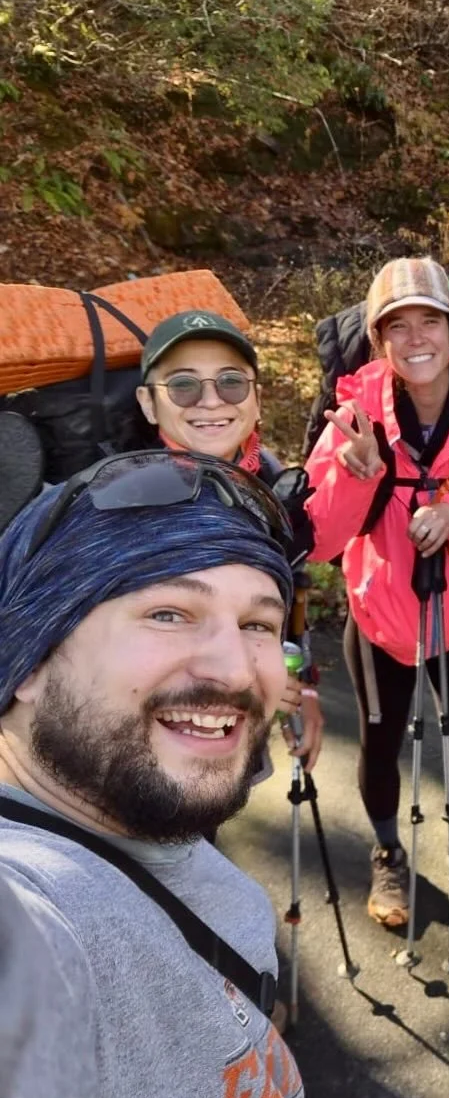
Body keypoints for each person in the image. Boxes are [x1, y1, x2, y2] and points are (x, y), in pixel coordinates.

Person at [0, 451, 334, 1098]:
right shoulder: (40, 907)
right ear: (29, 661)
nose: (232, 669)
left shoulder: (140, 825)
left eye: (257, 623)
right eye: (168, 613)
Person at [304, 257, 449, 927]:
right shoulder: (352, 419)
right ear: (377, 340)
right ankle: (387, 852)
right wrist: (359, 476)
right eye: (395, 326)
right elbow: (317, 540)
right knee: (378, 740)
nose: (414, 339)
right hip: (378, 619)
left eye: (427, 320)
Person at [135, 309, 325, 770]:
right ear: (147, 402)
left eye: (231, 383)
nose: (211, 401)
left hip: (231, 737)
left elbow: (287, 592)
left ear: (256, 399)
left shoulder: (270, 483)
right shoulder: (125, 502)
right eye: (183, 385)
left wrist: (303, 685)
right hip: (144, 758)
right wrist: (259, 682)